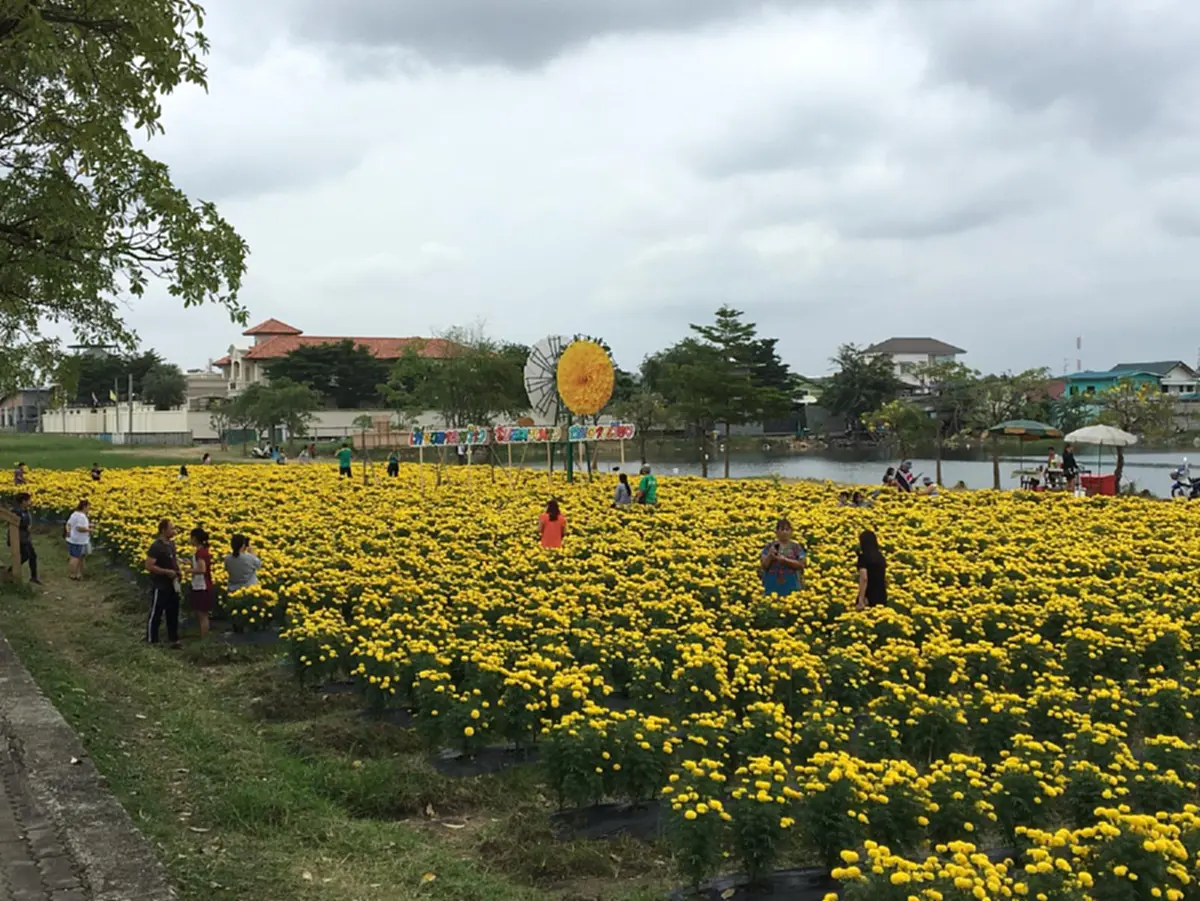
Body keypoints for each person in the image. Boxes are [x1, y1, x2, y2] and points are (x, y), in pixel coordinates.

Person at [145, 519, 182, 647]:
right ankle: (152, 639)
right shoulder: (156, 547)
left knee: (173, 612)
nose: (174, 531)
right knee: (157, 612)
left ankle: (173, 639)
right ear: (163, 530)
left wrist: (178, 571)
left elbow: (173, 560)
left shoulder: (171, 545)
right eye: (172, 528)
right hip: (161, 585)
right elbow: (149, 566)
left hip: (173, 584)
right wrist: (166, 572)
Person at [760, 518, 806, 596]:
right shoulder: (769, 546)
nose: (784, 532)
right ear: (776, 532)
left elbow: (801, 564)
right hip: (771, 586)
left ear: (791, 532)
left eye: (787, 529)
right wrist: (770, 556)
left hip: (791, 586)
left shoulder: (796, 547)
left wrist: (785, 560)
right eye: (782, 529)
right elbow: (764, 566)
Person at [187, 526, 214, 638]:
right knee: (203, 615)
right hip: (203, 585)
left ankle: (204, 638)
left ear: (195, 539)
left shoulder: (200, 553)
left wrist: (189, 570)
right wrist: (190, 563)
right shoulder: (202, 551)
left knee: (202, 615)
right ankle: (205, 637)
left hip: (202, 586)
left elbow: (202, 569)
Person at [8, 492, 40, 585]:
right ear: (23, 501)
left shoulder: (25, 510)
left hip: (26, 537)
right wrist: (25, 526)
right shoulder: (16, 511)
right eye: (28, 500)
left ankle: (34, 577)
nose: (30, 502)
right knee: (25, 555)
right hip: (19, 537)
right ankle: (11, 571)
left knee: (33, 556)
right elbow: (15, 523)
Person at [855, 530, 887, 610]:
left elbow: (864, 578)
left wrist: (861, 599)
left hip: (868, 597)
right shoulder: (880, 557)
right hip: (881, 596)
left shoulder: (863, 558)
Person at [65, 500, 92, 580]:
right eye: (88, 507)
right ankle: (73, 575)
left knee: (77, 557)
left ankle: (77, 574)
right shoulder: (82, 516)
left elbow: (68, 524)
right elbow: (79, 528)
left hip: (72, 539)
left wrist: (68, 532)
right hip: (78, 540)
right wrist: (89, 530)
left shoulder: (74, 514)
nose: (89, 509)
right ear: (84, 507)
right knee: (75, 557)